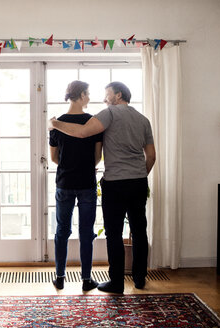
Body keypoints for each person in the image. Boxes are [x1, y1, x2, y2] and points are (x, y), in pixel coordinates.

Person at [48, 81, 156, 293]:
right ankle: (139, 278)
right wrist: (140, 175)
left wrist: (54, 123)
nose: (104, 98)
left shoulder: (109, 114)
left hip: (112, 183)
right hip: (136, 182)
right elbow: (151, 156)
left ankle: (114, 282)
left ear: (118, 95)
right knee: (139, 230)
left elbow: (79, 135)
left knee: (112, 233)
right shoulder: (144, 120)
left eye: (107, 94)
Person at [49, 80, 103, 291]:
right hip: (87, 183)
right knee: (86, 232)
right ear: (81, 95)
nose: (89, 98)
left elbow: (54, 158)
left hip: (64, 183)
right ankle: (86, 279)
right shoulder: (94, 123)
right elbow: (97, 157)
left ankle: (60, 277)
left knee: (62, 231)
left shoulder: (57, 123)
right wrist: (86, 165)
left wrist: (68, 164)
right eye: (88, 94)